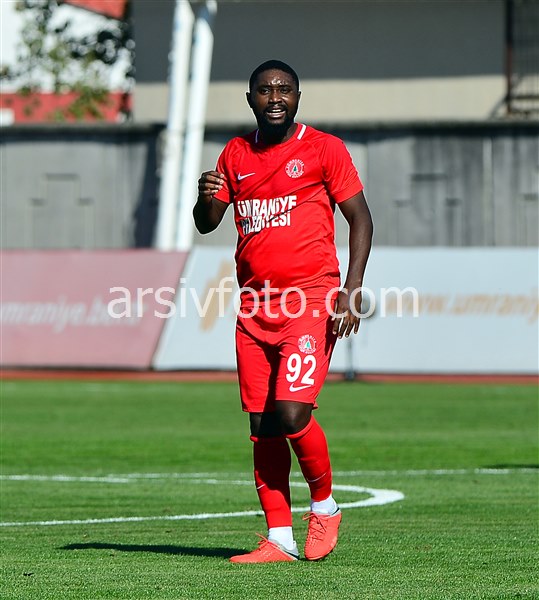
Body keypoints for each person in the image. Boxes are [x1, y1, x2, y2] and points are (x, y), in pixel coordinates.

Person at [193, 59, 373, 563]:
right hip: (254, 306)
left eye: (285, 89)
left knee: (293, 412)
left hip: (310, 299)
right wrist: (205, 197)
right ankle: (279, 538)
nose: (275, 97)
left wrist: (351, 289)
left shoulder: (323, 149)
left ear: (297, 96)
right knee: (263, 425)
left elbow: (361, 218)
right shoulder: (235, 153)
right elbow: (207, 223)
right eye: (265, 89)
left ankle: (326, 506)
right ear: (250, 98)